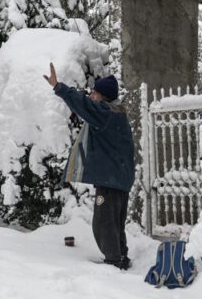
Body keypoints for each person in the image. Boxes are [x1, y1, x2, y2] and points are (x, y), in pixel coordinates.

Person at [45, 63, 135, 270]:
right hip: (120, 178)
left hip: (111, 179)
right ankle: (121, 256)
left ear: (104, 96)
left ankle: (113, 261)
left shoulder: (105, 113)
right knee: (115, 222)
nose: (92, 95)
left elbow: (82, 104)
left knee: (103, 222)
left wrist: (58, 87)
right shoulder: (117, 113)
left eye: (95, 93)